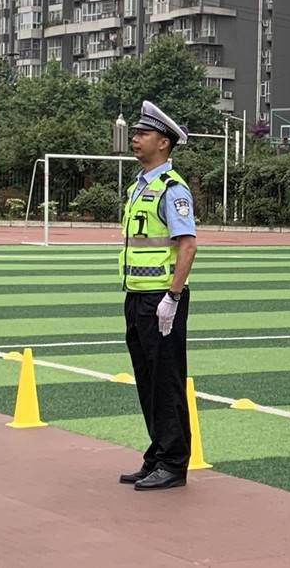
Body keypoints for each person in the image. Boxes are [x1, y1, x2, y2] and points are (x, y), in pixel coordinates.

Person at [119, 100, 197, 491]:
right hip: (136, 295)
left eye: (143, 133)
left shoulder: (172, 189)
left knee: (166, 380)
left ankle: (173, 461)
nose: (135, 138)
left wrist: (173, 296)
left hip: (161, 300)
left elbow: (187, 245)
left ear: (163, 143)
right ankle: (157, 454)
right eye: (136, 133)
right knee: (147, 378)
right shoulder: (139, 186)